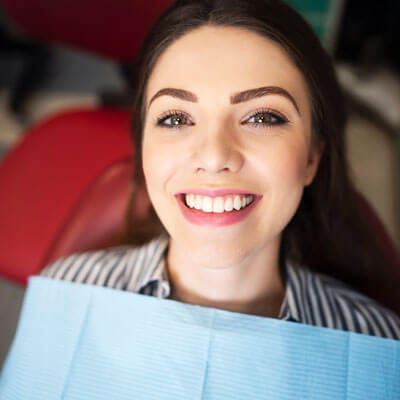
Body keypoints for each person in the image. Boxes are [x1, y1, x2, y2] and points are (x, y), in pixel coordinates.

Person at [41, 0, 400, 339]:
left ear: (311, 158)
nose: (214, 157)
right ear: (143, 150)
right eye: (176, 118)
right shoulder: (67, 295)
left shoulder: (378, 341)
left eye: (262, 117)